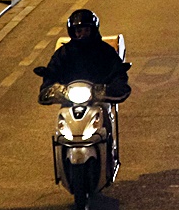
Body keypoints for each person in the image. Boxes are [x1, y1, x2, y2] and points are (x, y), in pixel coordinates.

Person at [40, 10, 131, 164]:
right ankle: (62, 156)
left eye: (86, 30)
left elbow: (118, 74)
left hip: (97, 98)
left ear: (93, 30)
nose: (82, 34)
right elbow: (51, 74)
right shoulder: (64, 53)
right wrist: (52, 88)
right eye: (78, 31)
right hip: (70, 99)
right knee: (61, 126)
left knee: (105, 121)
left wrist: (110, 88)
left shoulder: (105, 51)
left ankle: (108, 156)